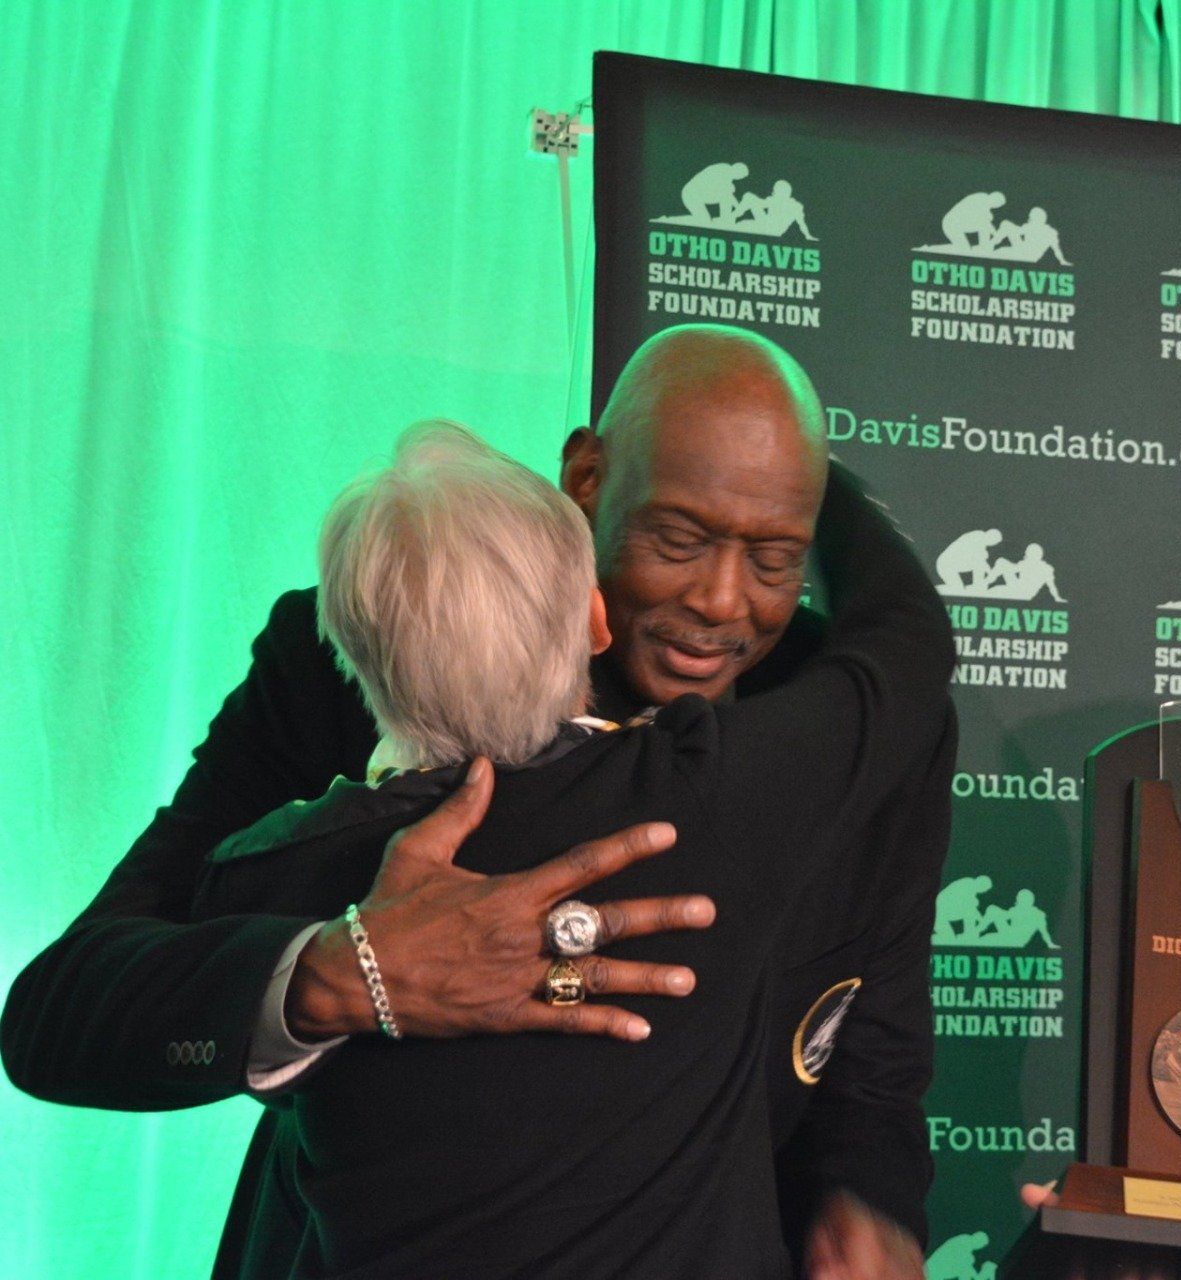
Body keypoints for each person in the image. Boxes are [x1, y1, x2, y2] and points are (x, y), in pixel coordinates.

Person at [2, 324, 957, 1279]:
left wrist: (861, 1200)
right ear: (586, 479)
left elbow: (870, 1054)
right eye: (679, 538)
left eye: (776, 557)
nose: (721, 599)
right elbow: (61, 1015)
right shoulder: (352, 657)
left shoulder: (854, 735)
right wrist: (341, 973)